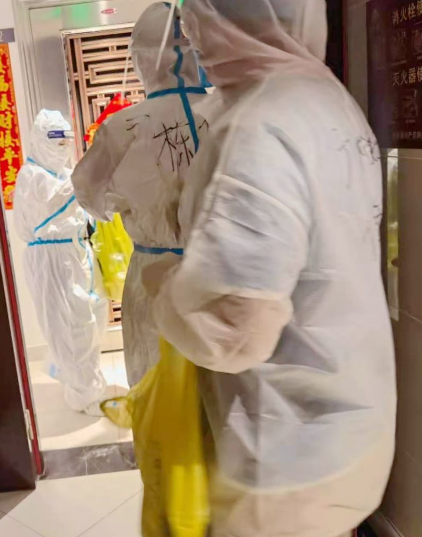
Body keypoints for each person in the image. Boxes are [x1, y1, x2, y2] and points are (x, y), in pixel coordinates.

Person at [144, 1, 397, 536]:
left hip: (286, 449)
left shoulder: (259, 123)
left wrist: (162, 285)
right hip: (355, 422)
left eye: (194, 16)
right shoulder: (330, 100)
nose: (190, 33)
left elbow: (234, 332)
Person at [71, 2, 212, 386]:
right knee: (226, 392)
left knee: (159, 391)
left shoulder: (123, 128)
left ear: (141, 59)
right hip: (227, 270)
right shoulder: (234, 110)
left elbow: (89, 194)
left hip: (155, 276)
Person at [14, 109, 108, 417]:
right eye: (56, 140)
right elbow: (54, 204)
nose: (63, 146)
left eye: (67, 140)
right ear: (40, 140)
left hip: (76, 252)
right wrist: (88, 171)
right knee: (73, 326)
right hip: (51, 258)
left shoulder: (64, 173)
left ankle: (70, 373)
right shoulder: (31, 176)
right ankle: (85, 395)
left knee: (92, 316)